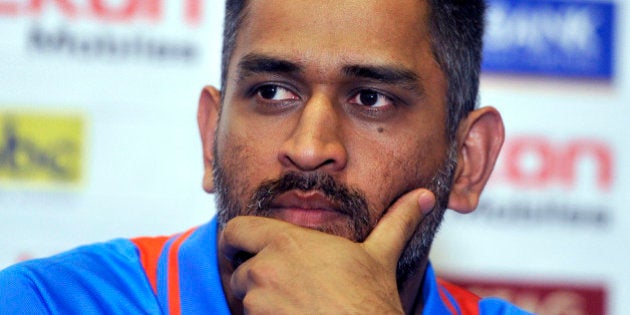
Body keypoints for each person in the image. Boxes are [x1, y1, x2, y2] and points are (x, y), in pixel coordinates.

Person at [0, 0, 531, 314]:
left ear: (468, 160)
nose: (308, 149)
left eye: (371, 98)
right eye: (272, 92)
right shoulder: (45, 303)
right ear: (211, 134)